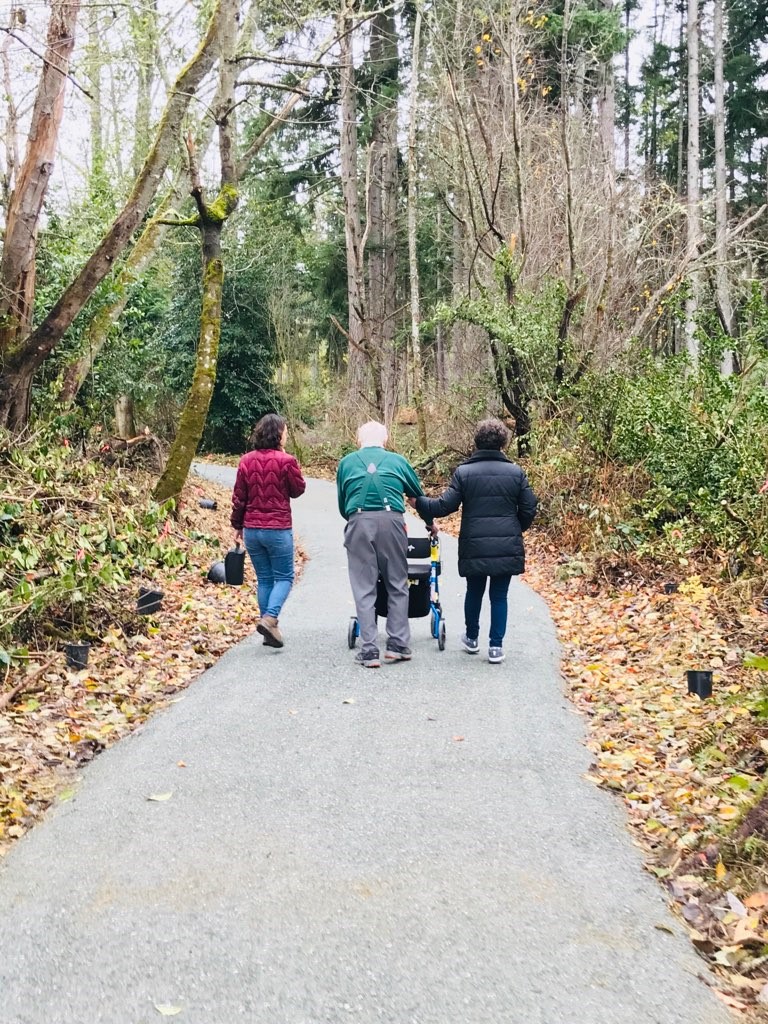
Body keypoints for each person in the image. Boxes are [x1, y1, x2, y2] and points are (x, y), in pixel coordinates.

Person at [410, 418, 537, 665]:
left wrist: (419, 502)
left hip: (474, 544)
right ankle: (496, 647)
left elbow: (445, 506)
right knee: (499, 596)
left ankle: (471, 638)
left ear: (476, 442)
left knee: (475, 592)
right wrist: (515, 529)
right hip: (505, 545)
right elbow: (530, 507)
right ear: (503, 442)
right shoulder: (515, 472)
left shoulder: (464, 473)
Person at [336, 420, 433, 668]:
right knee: (397, 583)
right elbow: (416, 497)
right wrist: (430, 523)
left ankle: (369, 651)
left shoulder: (346, 463)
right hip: (392, 522)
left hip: (357, 520)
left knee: (364, 586)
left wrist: (358, 520)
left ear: (359, 440)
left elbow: (341, 503)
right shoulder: (398, 461)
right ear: (385, 440)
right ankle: (398, 644)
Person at [231, 413, 306, 649]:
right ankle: (270, 618)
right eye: (285, 431)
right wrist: (291, 464)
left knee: (264, 578)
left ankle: (268, 631)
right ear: (278, 434)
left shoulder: (246, 461)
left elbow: (239, 499)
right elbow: (298, 490)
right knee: (284, 577)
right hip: (277, 529)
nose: (286, 434)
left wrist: (237, 525)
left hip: (252, 530)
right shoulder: (287, 461)